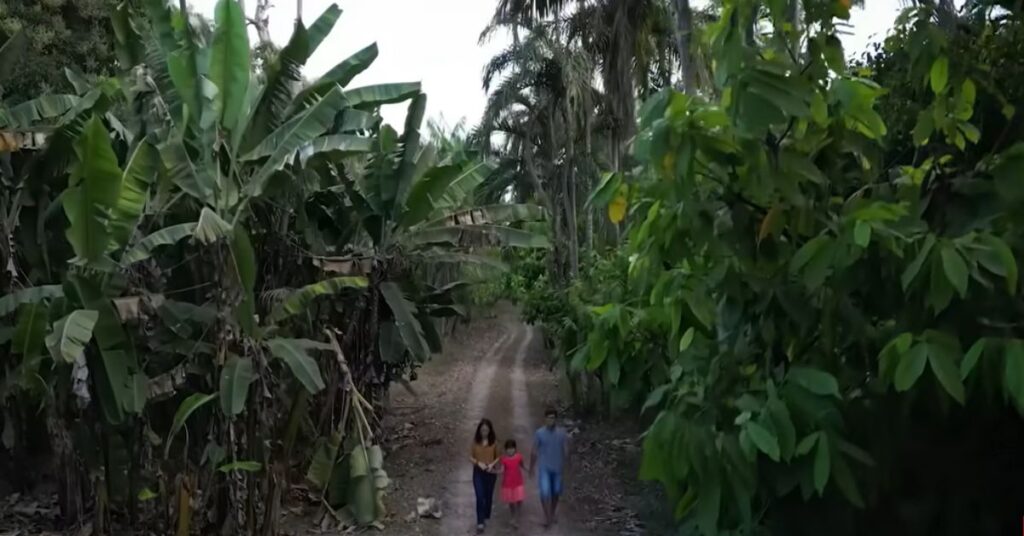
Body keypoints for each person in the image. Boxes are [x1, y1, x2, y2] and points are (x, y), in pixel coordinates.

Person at [529, 408, 569, 529]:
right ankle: (548, 517)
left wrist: (567, 466)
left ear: (556, 419)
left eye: (552, 418)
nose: (550, 420)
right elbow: (534, 451)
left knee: (556, 492)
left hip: (558, 467)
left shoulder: (561, 433)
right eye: (548, 418)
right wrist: (531, 468)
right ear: (545, 419)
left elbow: (566, 450)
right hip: (544, 467)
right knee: (545, 492)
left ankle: (552, 512)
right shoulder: (539, 433)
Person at [469, 418, 499, 533]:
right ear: (479, 431)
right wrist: (478, 463)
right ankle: (480, 522)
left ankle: (486, 514)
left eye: (486, 430)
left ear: (490, 431)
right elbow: (470, 457)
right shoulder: (475, 442)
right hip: (478, 472)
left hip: (491, 473)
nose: (484, 432)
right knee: (479, 496)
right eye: (482, 430)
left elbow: (498, 457)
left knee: (488, 497)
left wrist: (492, 464)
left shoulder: (494, 442)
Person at [496, 439, 526, 528]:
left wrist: (528, 470)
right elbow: (502, 470)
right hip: (508, 483)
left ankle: (518, 514)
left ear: (515, 449)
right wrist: (495, 471)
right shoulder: (504, 459)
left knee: (519, 499)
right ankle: (513, 516)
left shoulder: (519, 457)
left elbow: (522, 465)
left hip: (518, 482)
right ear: (506, 450)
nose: (510, 450)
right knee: (511, 501)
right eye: (508, 448)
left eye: (512, 448)